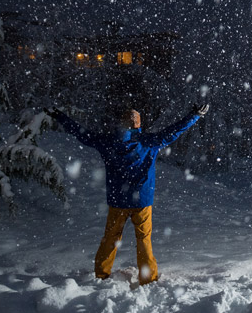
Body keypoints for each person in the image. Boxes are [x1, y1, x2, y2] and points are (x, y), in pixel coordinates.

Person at [48, 103, 209, 286]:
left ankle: (102, 273)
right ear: (138, 125)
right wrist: (194, 115)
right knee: (144, 239)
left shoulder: (108, 142)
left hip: (117, 200)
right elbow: (173, 132)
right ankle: (148, 277)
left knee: (111, 237)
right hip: (142, 201)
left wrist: (60, 117)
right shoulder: (149, 142)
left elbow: (82, 134)